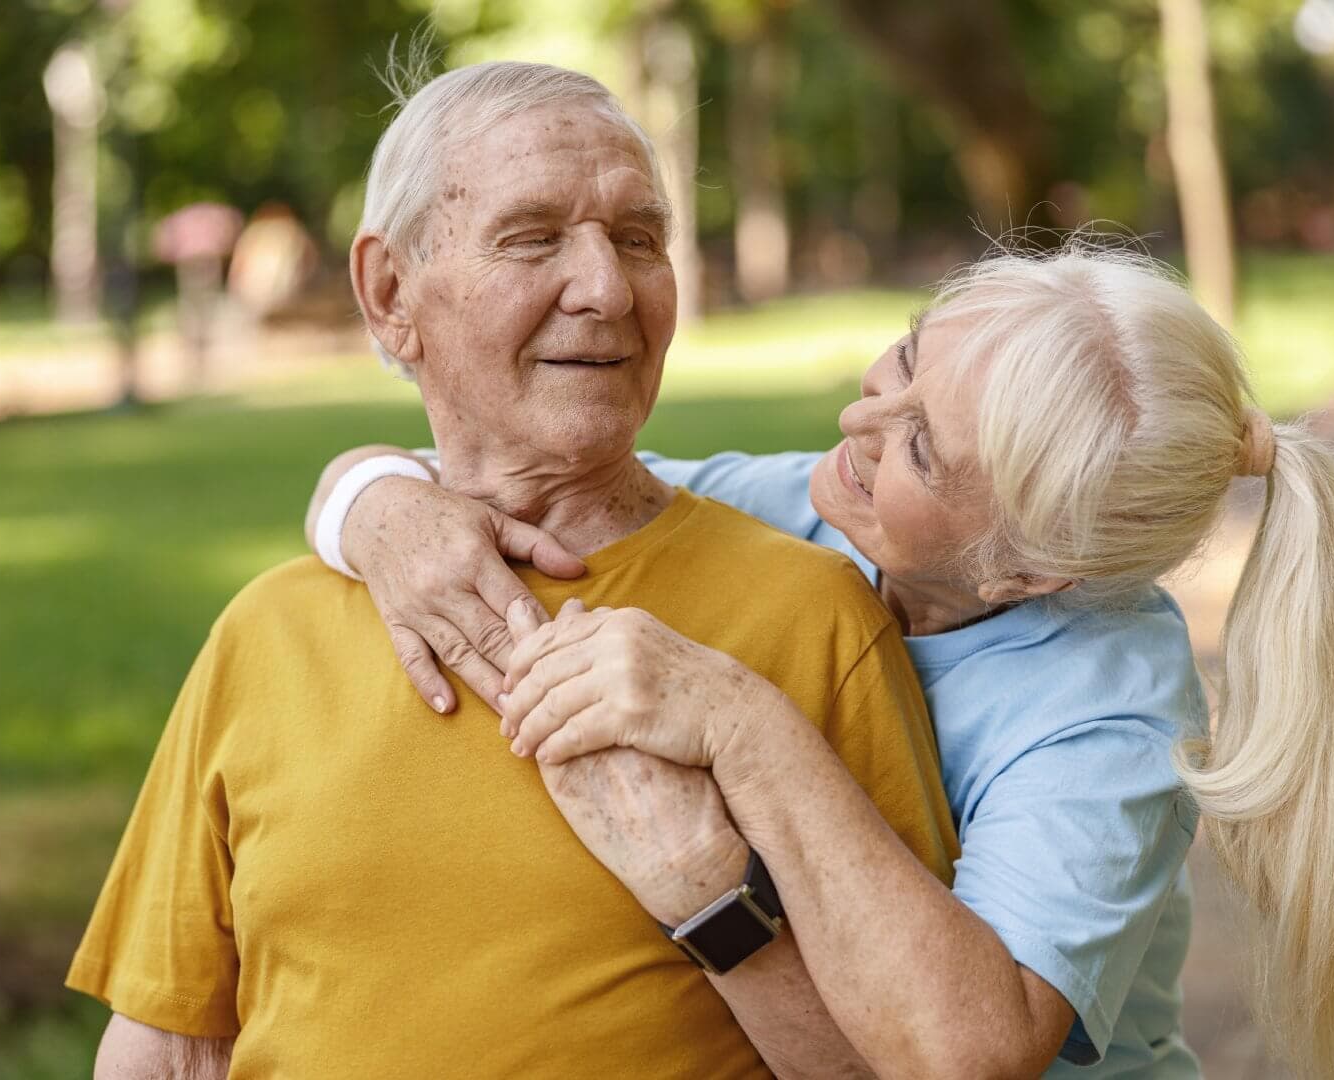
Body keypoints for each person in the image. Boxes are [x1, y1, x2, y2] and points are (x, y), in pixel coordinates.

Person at [306, 238, 1334, 1079]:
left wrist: (741, 725)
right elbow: (499, 503)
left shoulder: (1107, 705)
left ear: (1030, 572)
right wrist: (372, 499)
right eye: (906, 358)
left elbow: (971, 1050)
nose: (858, 416)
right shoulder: (809, 504)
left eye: (921, 447)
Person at [69, 60, 957, 1080]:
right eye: (534, 238)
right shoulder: (267, 633)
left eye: (639, 239)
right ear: (390, 292)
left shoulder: (812, 619)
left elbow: (906, 1065)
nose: (607, 288)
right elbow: (173, 1049)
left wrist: (715, 899)